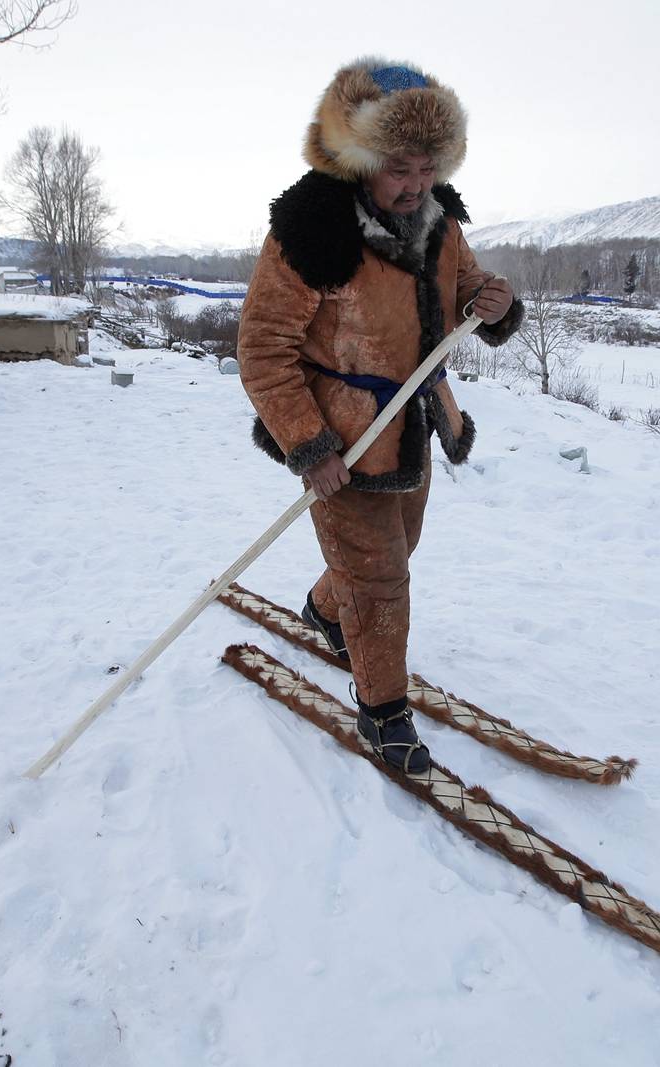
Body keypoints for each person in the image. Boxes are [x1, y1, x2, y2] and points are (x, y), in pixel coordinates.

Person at [237, 57, 521, 774]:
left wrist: (494, 303)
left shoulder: (440, 222)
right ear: (360, 156)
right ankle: (383, 712)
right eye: (399, 166)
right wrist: (308, 444)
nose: (415, 183)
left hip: (411, 427)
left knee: (401, 544)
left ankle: (326, 610)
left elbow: (464, 293)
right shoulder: (311, 229)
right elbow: (264, 348)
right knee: (381, 578)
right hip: (343, 434)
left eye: (428, 165)